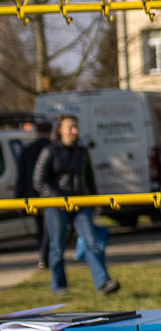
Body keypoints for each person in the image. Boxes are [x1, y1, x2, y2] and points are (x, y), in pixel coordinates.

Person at [34, 114, 118, 295]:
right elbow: (39, 181)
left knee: (92, 243)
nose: (74, 131)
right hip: (56, 205)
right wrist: (59, 198)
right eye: (70, 127)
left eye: (76, 127)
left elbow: (89, 178)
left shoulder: (82, 152)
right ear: (60, 130)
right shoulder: (50, 151)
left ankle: (103, 283)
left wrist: (95, 201)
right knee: (57, 247)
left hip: (81, 203)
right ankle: (59, 287)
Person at [15, 117, 50, 263]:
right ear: (50, 131)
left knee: (40, 227)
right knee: (50, 227)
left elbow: (21, 176)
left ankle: (43, 255)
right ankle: (46, 255)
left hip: (32, 195)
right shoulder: (52, 148)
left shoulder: (27, 150)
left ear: (36, 132)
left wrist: (18, 198)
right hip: (50, 195)